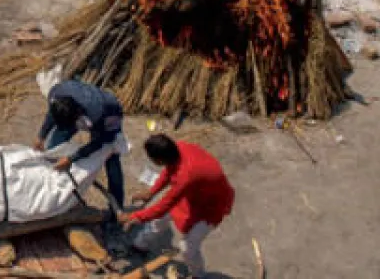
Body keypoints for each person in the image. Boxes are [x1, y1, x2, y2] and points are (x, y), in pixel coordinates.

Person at [121, 134, 235, 278]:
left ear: (159, 159)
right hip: (193, 195)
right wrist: (151, 192)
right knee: (159, 221)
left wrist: (134, 216)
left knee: (187, 248)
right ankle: (140, 245)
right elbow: (169, 171)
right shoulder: (179, 148)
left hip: (211, 207)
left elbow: (164, 205)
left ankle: (198, 275)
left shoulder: (186, 176)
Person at [33, 79, 127, 209]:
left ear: (77, 116)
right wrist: (41, 136)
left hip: (108, 118)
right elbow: (52, 114)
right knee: (53, 148)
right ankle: (52, 193)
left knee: (111, 159)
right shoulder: (57, 95)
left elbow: (98, 143)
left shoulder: (98, 113)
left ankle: (116, 210)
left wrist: (72, 158)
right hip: (79, 112)